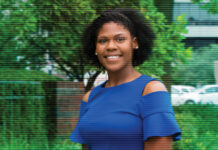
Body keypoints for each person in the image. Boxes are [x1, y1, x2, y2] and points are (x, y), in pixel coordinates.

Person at [70, 8, 181, 150]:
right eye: (103, 40)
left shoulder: (150, 91)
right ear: (95, 48)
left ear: (134, 43)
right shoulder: (89, 98)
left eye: (120, 39)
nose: (111, 46)